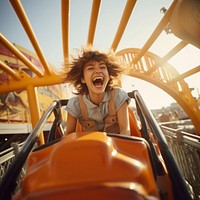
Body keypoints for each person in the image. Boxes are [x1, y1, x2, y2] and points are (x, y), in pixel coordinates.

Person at [62, 46, 130, 136]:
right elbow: (69, 136)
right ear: (83, 79)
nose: (98, 71)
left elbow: (125, 131)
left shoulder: (118, 96)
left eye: (102, 67)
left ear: (109, 75)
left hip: (117, 146)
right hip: (91, 147)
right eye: (90, 68)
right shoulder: (76, 104)